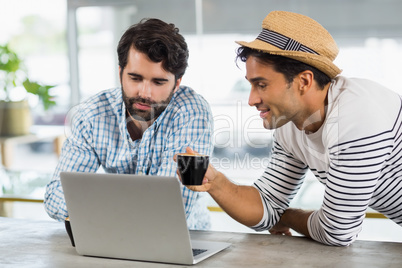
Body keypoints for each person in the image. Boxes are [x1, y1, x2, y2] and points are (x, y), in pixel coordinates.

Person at [181, 10, 402, 246]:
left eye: (261, 85)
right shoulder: (291, 126)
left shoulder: (356, 117)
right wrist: (216, 183)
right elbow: (267, 205)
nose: (252, 99)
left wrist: (285, 215)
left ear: (304, 81)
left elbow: (336, 232)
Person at [44, 18, 214, 230]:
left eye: (158, 82)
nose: (144, 93)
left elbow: (172, 206)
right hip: (115, 238)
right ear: (120, 73)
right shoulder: (92, 115)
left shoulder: (192, 112)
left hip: (187, 239)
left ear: (177, 83)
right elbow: (56, 198)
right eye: (135, 78)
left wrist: (95, 205)